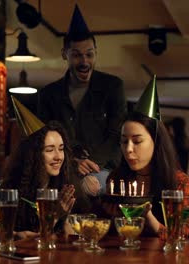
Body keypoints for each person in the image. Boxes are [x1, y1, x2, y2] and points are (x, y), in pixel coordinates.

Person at [38, 4, 126, 195]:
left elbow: (116, 134)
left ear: (96, 53)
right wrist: (72, 162)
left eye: (89, 54)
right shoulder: (48, 95)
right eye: (77, 55)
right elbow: (42, 138)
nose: (84, 62)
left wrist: (90, 165)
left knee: (88, 187)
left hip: (103, 168)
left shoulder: (113, 86)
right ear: (65, 55)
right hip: (63, 168)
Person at [106, 77, 189, 238]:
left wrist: (147, 216)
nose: (128, 149)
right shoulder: (116, 180)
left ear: (156, 142)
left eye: (137, 141)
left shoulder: (180, 182)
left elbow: (180, 236)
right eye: (124, 141)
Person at [1, 97, 90, 233]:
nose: (58, 157)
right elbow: (29, 239)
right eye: (49, 150)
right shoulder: (12, 190)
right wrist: (55, 216)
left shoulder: (67, 187)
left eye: (61, 149)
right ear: (33, 155)